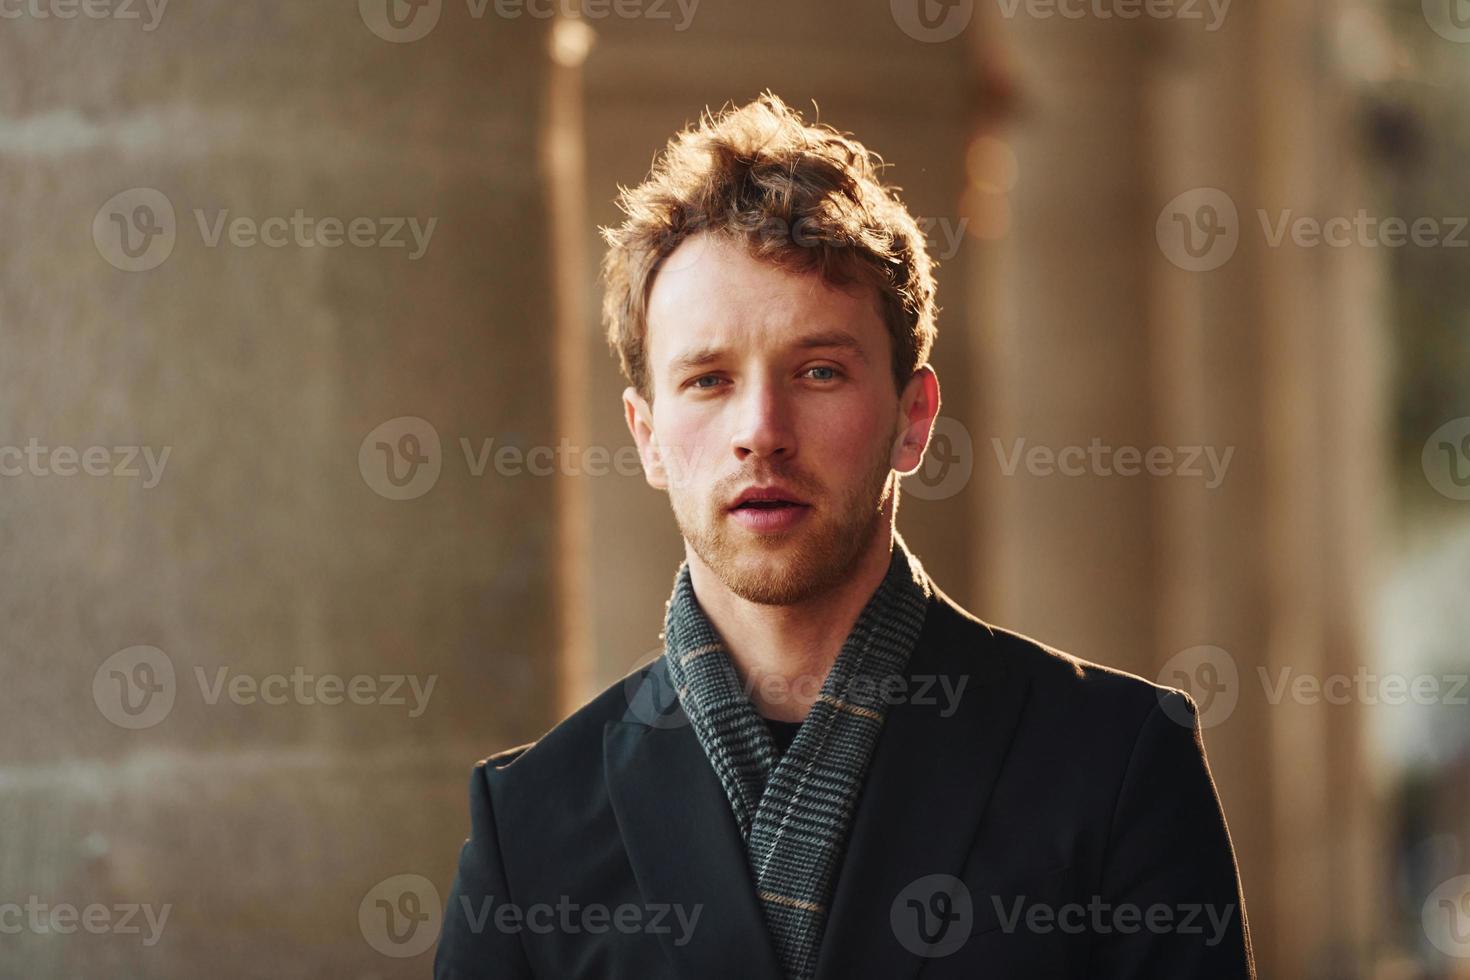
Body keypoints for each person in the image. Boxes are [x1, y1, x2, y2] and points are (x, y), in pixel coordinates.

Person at [435, 93, 1255, 980]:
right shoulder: (528, 829)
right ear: (646, 437)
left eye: (819, 371)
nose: (761, 428)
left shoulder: (1117, 763)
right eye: (709, 380)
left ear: (914, 418)